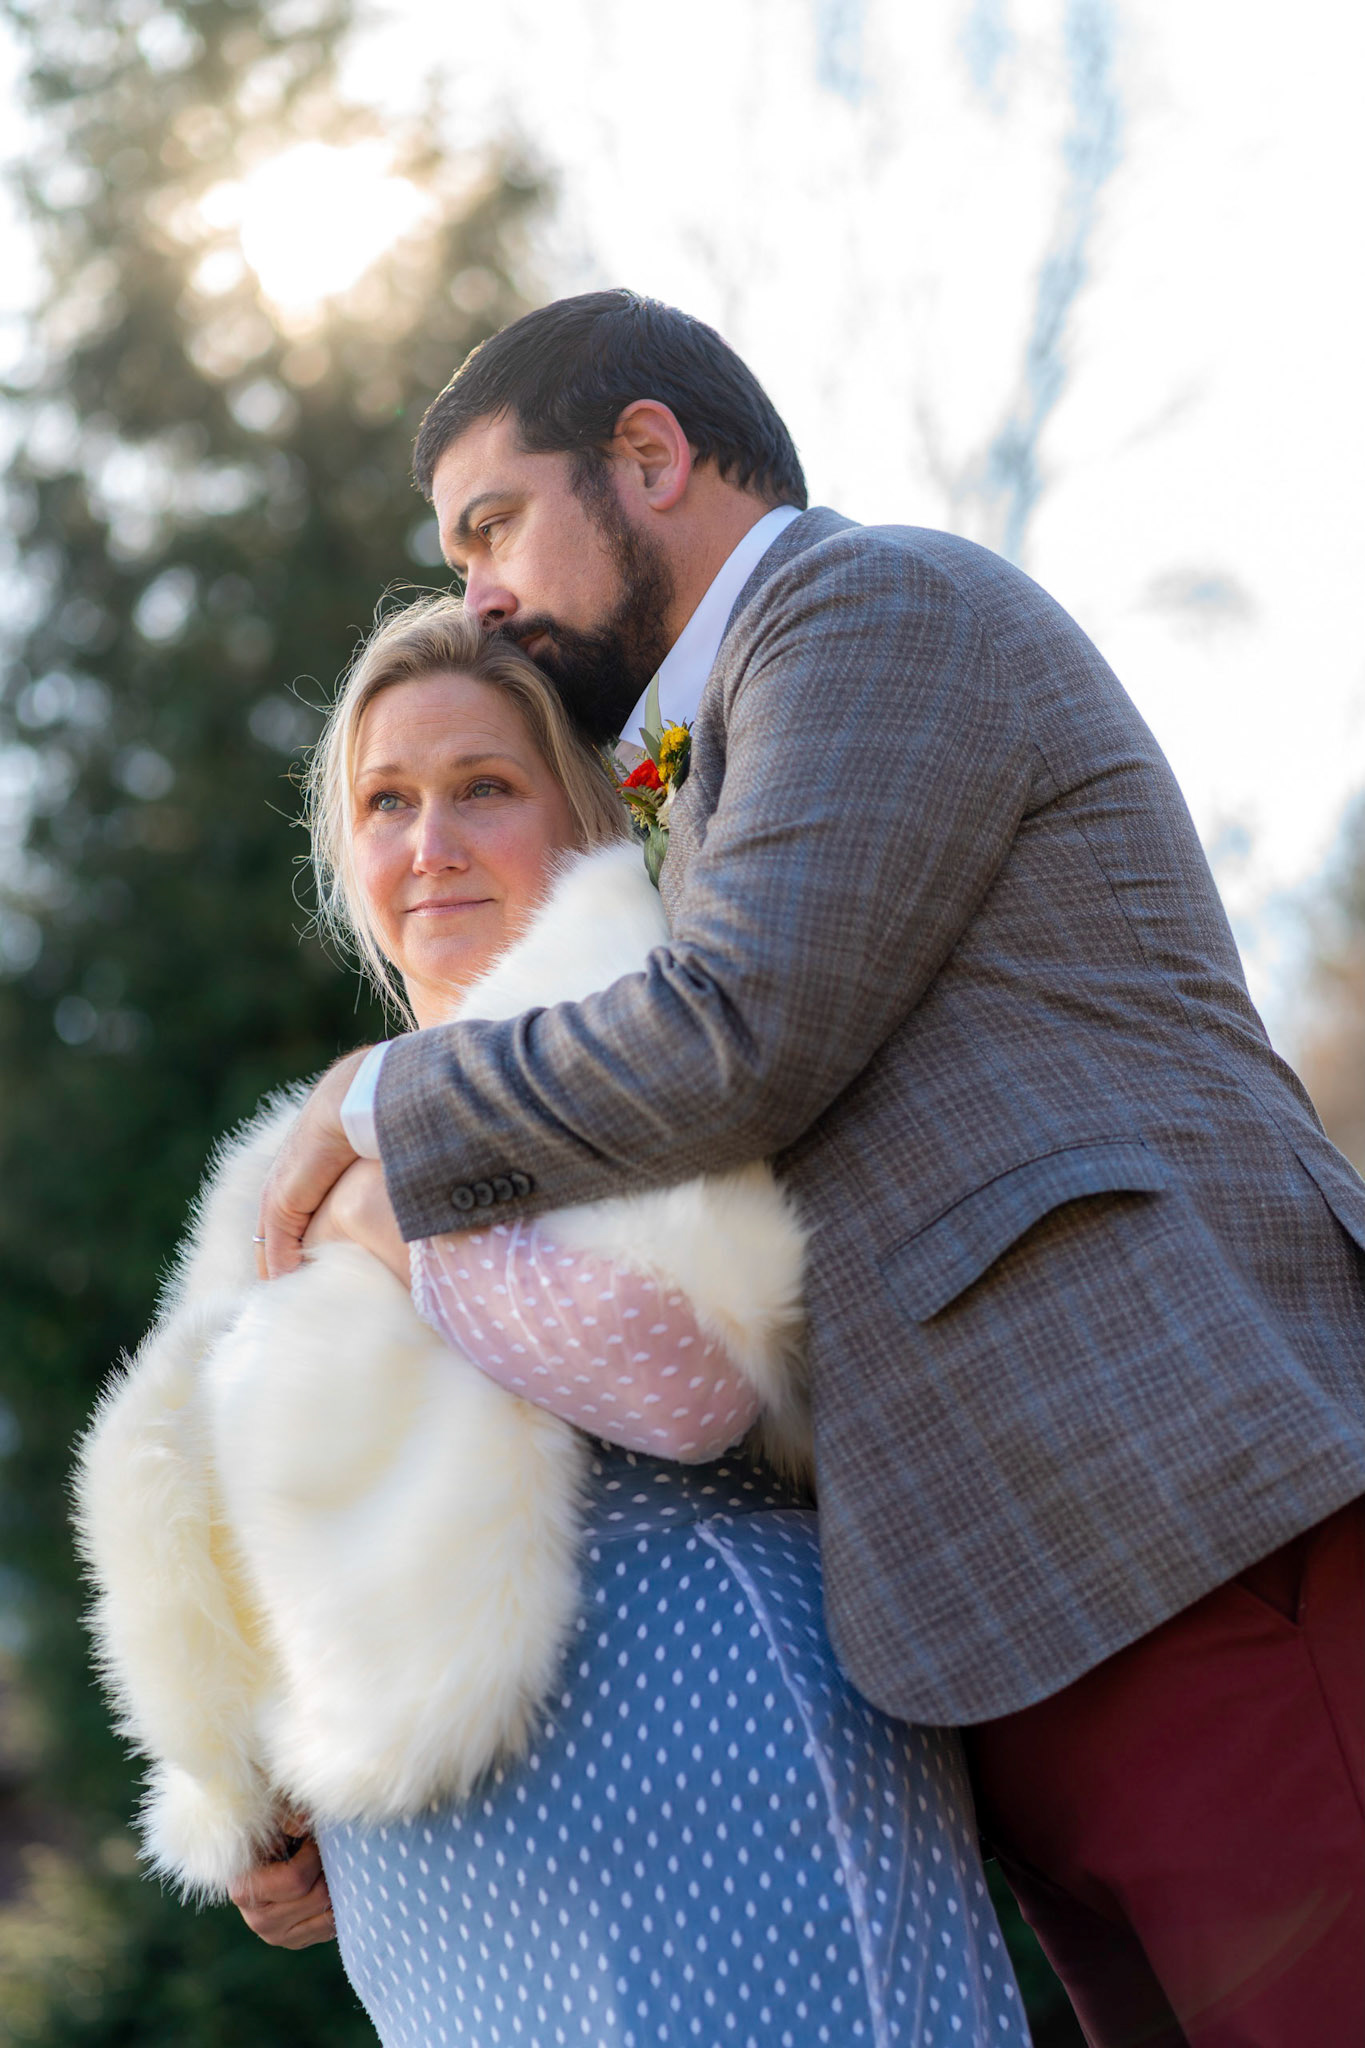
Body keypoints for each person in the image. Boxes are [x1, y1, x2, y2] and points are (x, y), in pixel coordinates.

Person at [258, 290, 1365, 2048]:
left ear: (649, 456)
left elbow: (743, 1031)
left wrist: (386, 1106)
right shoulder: (701, 791)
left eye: (490, 525)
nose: (472, 590)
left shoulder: (866, 605)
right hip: (1008, 1630)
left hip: (1195, 1514)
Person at [228, 597, 1028, 2048]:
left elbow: (685, 1385)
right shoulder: (304, 1153)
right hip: (442, 1895)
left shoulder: (662, 1044)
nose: (431, 844)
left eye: (483, 788)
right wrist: (257, 1787)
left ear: (586, 811)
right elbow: (232, 1525)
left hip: (707, 1769)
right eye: (387, 803)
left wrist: (402, 1223)